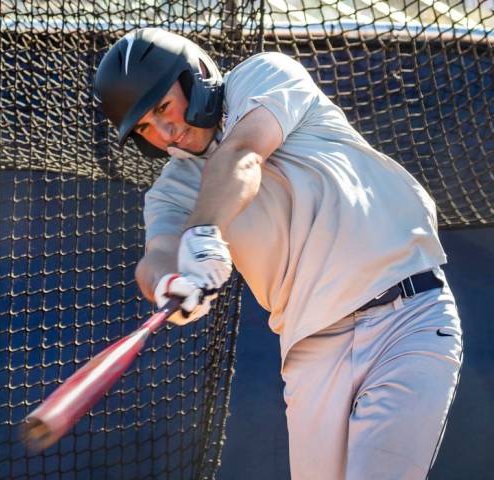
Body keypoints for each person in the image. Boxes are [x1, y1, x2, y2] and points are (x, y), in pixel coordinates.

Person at [93, 28, 464, 480]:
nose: (166, 130)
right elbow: (158, 256)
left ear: (195, 76)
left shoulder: (262, 76)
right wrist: (171, 283)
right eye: (146, 127)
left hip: (406, 316)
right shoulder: (171, 190)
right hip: (311, 353)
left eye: (163, 107)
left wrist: (203, 233)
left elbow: (244, 154)